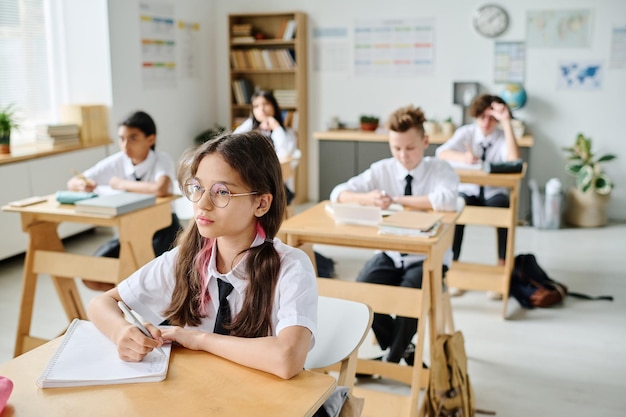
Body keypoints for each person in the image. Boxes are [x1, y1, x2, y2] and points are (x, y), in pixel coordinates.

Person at [87, 131, 318, 380]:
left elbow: (287, 358)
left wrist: (199, 339)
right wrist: (121, 332)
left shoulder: (291, 267)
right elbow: (101, 303)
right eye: (197, 187)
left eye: (222, 192)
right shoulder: (187, 259)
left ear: (261, 204)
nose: (202, 203)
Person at [329, 105, 459, 365]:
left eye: (410, 148)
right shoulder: (382, 170)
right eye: (396, 148)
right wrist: (368, 198)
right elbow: (338, 193)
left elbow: (447, 200)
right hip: (390, 254)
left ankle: (389, 362)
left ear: (425, 142)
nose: (402, 156)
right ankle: (402, 353)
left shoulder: (440, 169)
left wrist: (396, 199)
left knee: (411, 294)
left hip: (425, 258)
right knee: (362, 290)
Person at [67, 110, 182, 291]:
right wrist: (83, 186)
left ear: (150, 139)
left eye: (133, 138)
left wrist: (120, 183)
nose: (125, 145)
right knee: (91, 275)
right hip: (127, 232)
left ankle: (143, 298)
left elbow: (160, 188)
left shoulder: (162, 160)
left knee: (161, 279)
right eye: (121, 139)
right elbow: (73, 182)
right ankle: (131, 296)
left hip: (162, 230)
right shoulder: (116, 161)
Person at [435, 94, 521, 298]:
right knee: (456, 213)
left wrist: (507, 122)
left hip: (494, 191)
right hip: (470, 190)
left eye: (492, 118)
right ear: (475, 116)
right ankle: (452, 272)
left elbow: (514, 160)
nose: (486, 122)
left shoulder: (502, 137)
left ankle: (500, 273)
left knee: (504, 214)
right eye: (482, 117)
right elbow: (441, 153)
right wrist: (464, 157)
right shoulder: (466, 133)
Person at [233, 90, 298, 204]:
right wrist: (251, 124)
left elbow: (283, 155)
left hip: (276, 182)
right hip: (250, 178)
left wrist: (276, 127)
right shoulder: (250, 129)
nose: (261, 109)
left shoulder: (287, 133)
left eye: (265, 104)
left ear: (274, 106)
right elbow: (232, 143)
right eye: (256, 106)